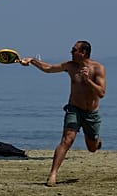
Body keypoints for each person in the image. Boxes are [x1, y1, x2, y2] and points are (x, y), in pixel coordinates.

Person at [20, 40, 106, 187]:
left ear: (83, 52)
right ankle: (53, 175)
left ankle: (96, 143)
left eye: (74, 50)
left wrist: (88, 81)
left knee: (91, 148)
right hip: (74, 109)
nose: (71, 52)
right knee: (67, 140)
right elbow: (49, 68)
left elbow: (102, 93)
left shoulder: (97, 68)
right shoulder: (70, 66)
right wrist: (32, 61)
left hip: (91, 113)